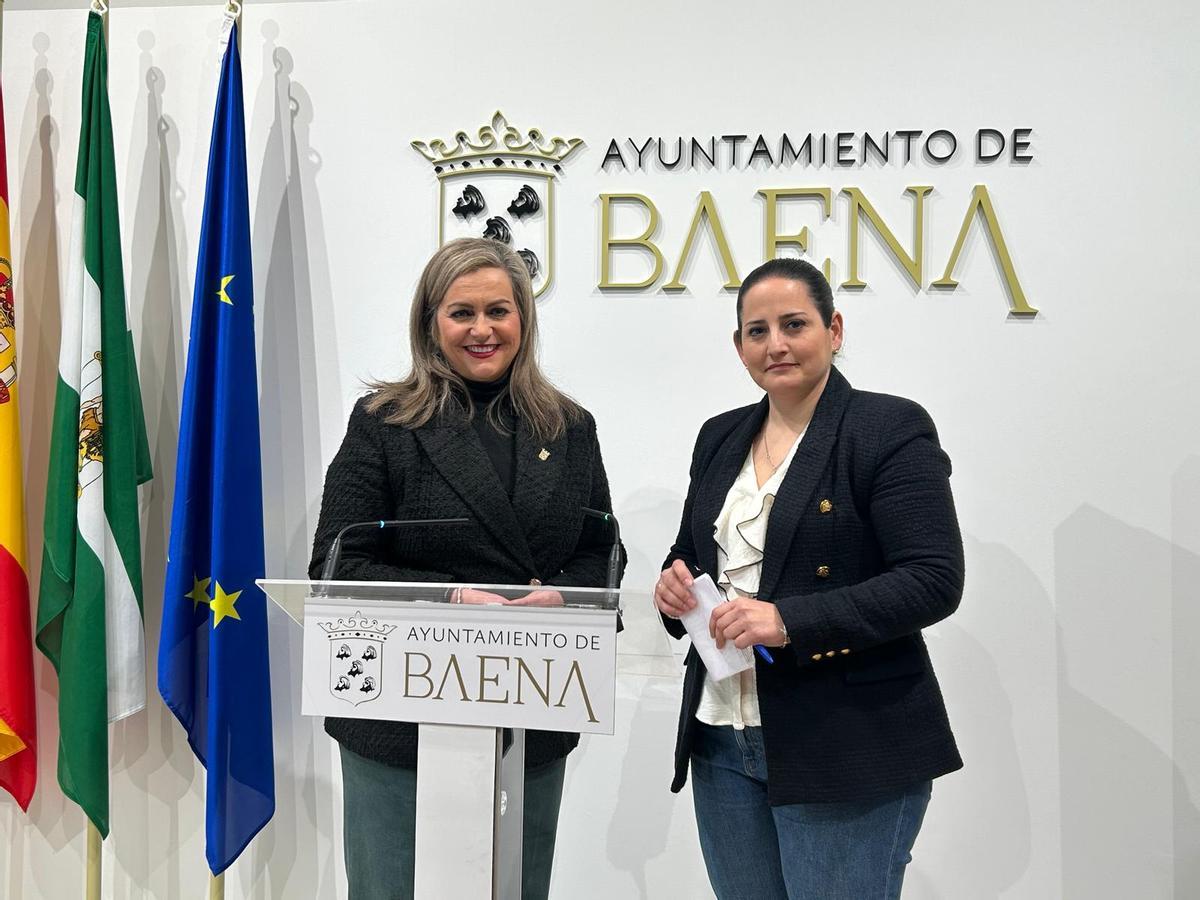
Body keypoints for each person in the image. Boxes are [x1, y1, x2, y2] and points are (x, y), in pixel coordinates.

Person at [309, 237, 624, 899]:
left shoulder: (570, 427)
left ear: (523, 321)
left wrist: (564, 597)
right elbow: (338, 565)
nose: (483, 329)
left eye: (498, 311)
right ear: (431, 323)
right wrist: (450, 597)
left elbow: (600, 552)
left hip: (528, 715)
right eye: (462, 313)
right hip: (397, 722)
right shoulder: (383, 422)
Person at [653, 257, 964, 899]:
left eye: (794, 324)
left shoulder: (887, 427)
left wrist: (789, 621)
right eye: (757, 331)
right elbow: (690, 552)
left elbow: (933, 578)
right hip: (721, 736)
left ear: (834, 329)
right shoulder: (719, 436)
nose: (776, 344)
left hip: (844, 739)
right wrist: (673, 587)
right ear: (739, 345)